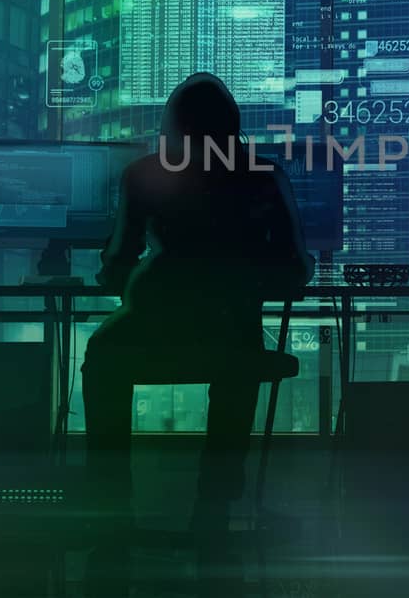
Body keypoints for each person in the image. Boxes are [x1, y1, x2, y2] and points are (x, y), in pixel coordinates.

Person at [81, 73, 313, 589]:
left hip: (151, 333)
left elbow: (116, 264)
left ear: (171, 127)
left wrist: (141, 288)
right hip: (232, 336)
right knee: (240, 361)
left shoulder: (143, 175)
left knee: (101, 354)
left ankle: (112, 504)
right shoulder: (264, 176)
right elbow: (296, 270)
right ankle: (215, 507)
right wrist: (242, 282)